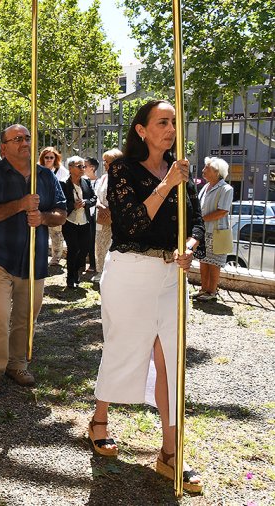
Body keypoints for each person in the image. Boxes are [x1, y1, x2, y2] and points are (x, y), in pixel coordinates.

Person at [90, 100, 204, 493]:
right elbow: (132, 221)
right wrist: (167, 183)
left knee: (170, 359)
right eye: (162, 122)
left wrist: (189, 246)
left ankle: (170, 454)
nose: (170, 128)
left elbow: (198, 224)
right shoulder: (122, 167)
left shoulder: (182, 169)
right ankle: (99, 419)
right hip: (130, 270)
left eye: (173, 122)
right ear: (141, 130)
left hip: (171, 275)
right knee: (122, 347)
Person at [0, 125, 66, 396]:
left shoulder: (45, 176)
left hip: (33, 259)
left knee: (27, 316)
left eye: (27, 138)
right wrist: (21, 204)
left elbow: (61, 212)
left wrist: (44, 218)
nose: (24, 142)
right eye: (17, 139)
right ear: (4, 147)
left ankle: (17, 364)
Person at [195, 156, 233, 301]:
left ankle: (211, 291)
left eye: (207, 168)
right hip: (204, 230)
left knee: (214, 263)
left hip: (216, 232)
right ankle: (204, 289)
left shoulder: (226, 189)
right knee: (203, 260)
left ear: (216, 172)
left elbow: (222, 211)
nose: (203, 170)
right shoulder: (206, 187)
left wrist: (201, 219)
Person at [61, 156, 97, 289]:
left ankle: (77, 271)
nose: (83, 169)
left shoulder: (86, 181)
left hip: (85, 221)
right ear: (70, 168)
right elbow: (61, 201)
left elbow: (94, 198)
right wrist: (72, 205)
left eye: (84, 166)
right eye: (79, 166)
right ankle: (71, 278)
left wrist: (86, 202)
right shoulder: (63, 183)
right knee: (73, 249)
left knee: (84, 249)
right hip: (70, 221)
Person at [93, 149, 123, 282]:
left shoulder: (122, 179)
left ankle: (113, 273)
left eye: (107, 162)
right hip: (101, 216)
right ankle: (100, 271)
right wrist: (100, 205)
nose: (104, 164)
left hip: (116, 219)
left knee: (114, 246)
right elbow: (96, 195)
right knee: (99, 244)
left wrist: (111, 210)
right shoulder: (104, 178)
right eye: (104, 161)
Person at [40, 146, 67, 265]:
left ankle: (56, 257)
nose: (49, 159)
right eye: (47, 157)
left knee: (56, 233)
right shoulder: (38, 168)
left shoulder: (61, 171)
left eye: (52, 157)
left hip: (54, 207)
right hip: (41, 206)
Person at [84, 157, 100, 272]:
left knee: (93, 239)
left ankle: (94, 264)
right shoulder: (83, 181)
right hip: (84, 214)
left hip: (95, 215)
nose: (82, 168)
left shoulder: (100, 182)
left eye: (85, 166)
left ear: (92, 168)